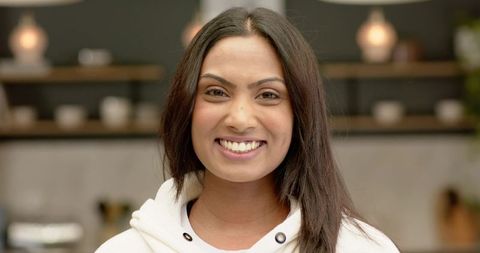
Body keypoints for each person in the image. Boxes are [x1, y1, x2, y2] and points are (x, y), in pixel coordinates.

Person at [96, 7, 399, 253]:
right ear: (185, 107)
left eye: (268, 95)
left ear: (300, 115)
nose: (240, 119)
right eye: (216, 92)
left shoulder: (360, 248)